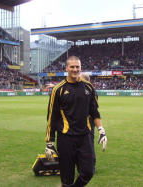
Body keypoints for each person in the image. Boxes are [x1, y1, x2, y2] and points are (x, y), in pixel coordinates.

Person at [45, 56, 107, 187]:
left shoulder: (89, 87)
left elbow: (94, 111)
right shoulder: (58, 89)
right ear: (66, 68)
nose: (75, 69)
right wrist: (49, 142)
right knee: (67, 178)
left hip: (85, 137)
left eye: (77, 67)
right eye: (72, 67)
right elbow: (52, 116)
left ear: (80, 68)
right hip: (66, 138)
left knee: (88, 172)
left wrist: (101, 130)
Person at [47, 73, 97, 169]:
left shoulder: (89, 90)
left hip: (86, 122)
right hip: (81, 123)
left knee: (89, 143)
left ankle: (90, 165)